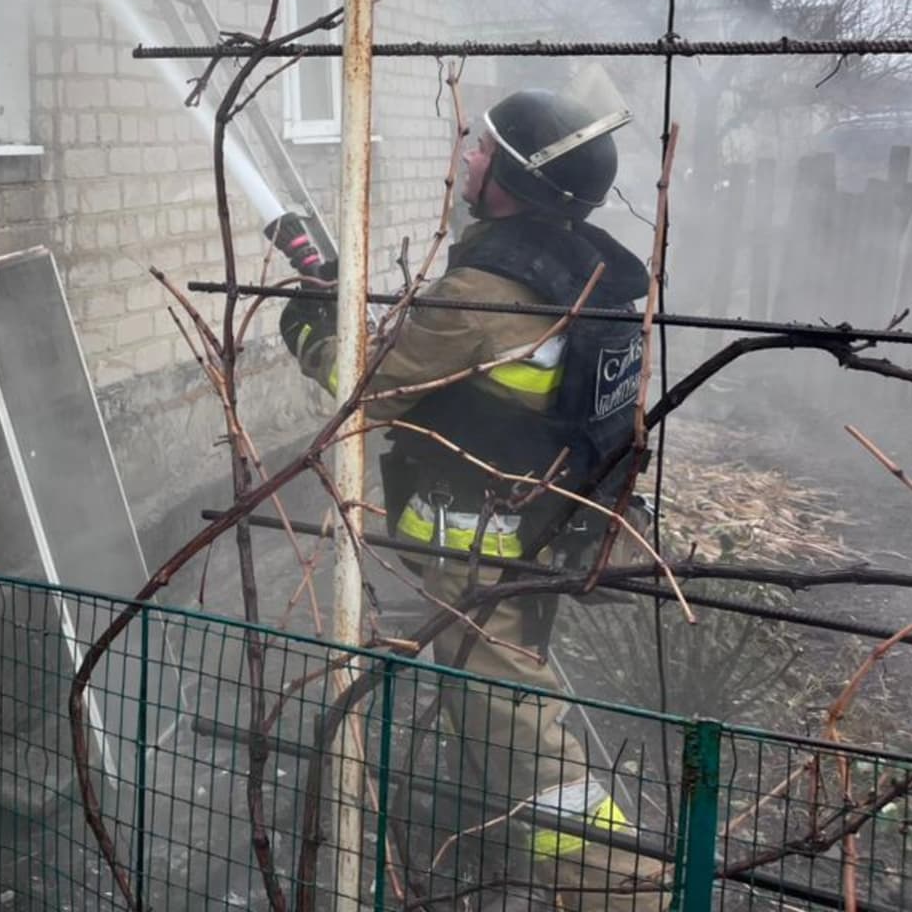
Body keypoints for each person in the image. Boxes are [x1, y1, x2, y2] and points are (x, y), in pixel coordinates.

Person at [275, 87, 662, 912]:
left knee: (519, 732)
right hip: (543, 528)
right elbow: (451, 358)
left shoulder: (486, 291)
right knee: (489, 692)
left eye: (482, 149)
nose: (466, 154)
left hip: (474, 546)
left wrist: (312, 330)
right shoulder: (576, 267)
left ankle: (626, 889)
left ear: (513, 179)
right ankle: (490, 833)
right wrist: (351, 294)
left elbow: (366, 391)